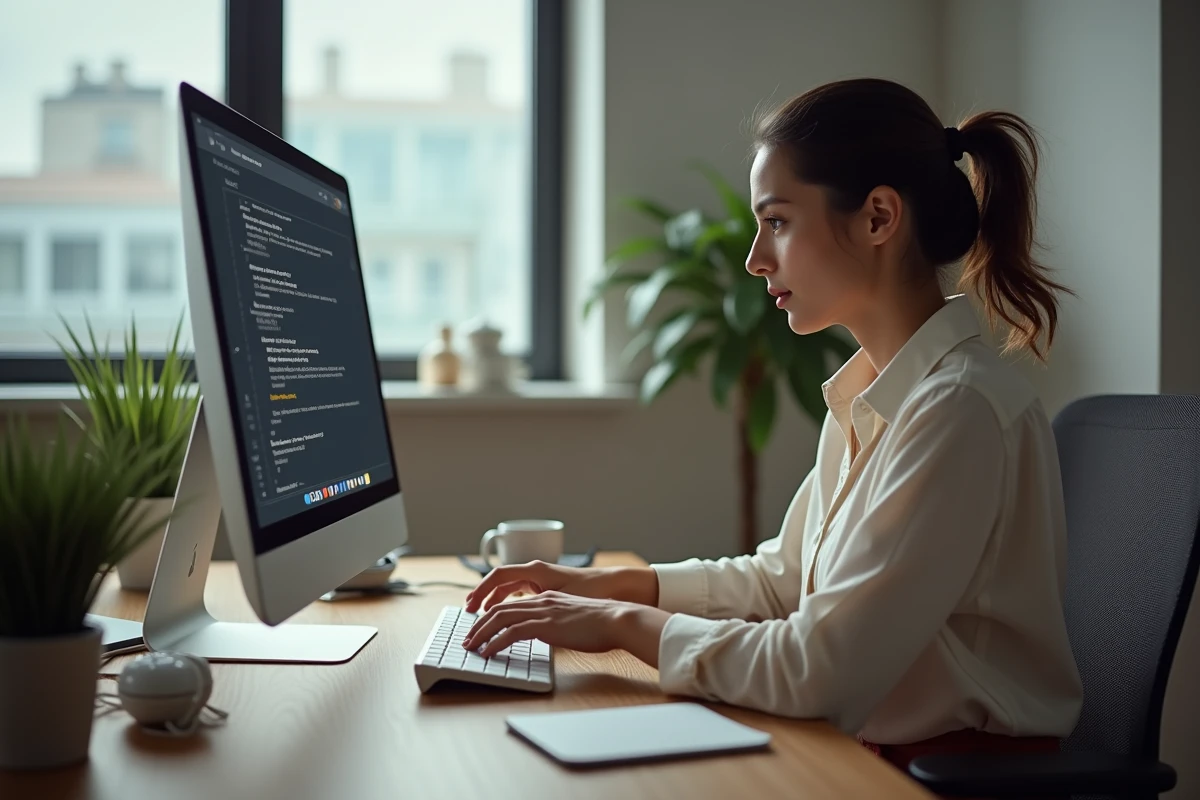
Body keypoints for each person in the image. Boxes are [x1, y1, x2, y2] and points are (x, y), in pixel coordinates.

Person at [463, 77, 1084, 779]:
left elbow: (819, 671)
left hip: (941, 779)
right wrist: (605, 588)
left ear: (879, 217)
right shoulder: (872, 395)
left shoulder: (958, 411)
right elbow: (781, 583)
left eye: (779, 221)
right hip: (868, 755)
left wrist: (619, 627)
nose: (757, 258)